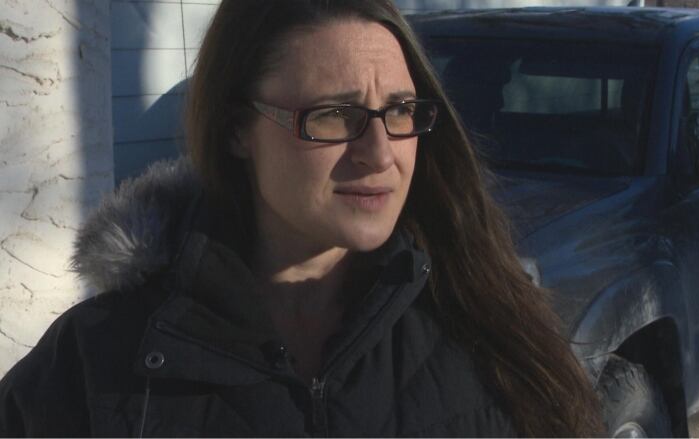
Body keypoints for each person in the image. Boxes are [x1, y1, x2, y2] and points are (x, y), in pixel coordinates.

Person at [0, 0, 604, 436]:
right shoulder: (96, 361)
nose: (380, 153)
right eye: (334, 116)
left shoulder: (486, 327)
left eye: (399, 111)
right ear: (238, 129)